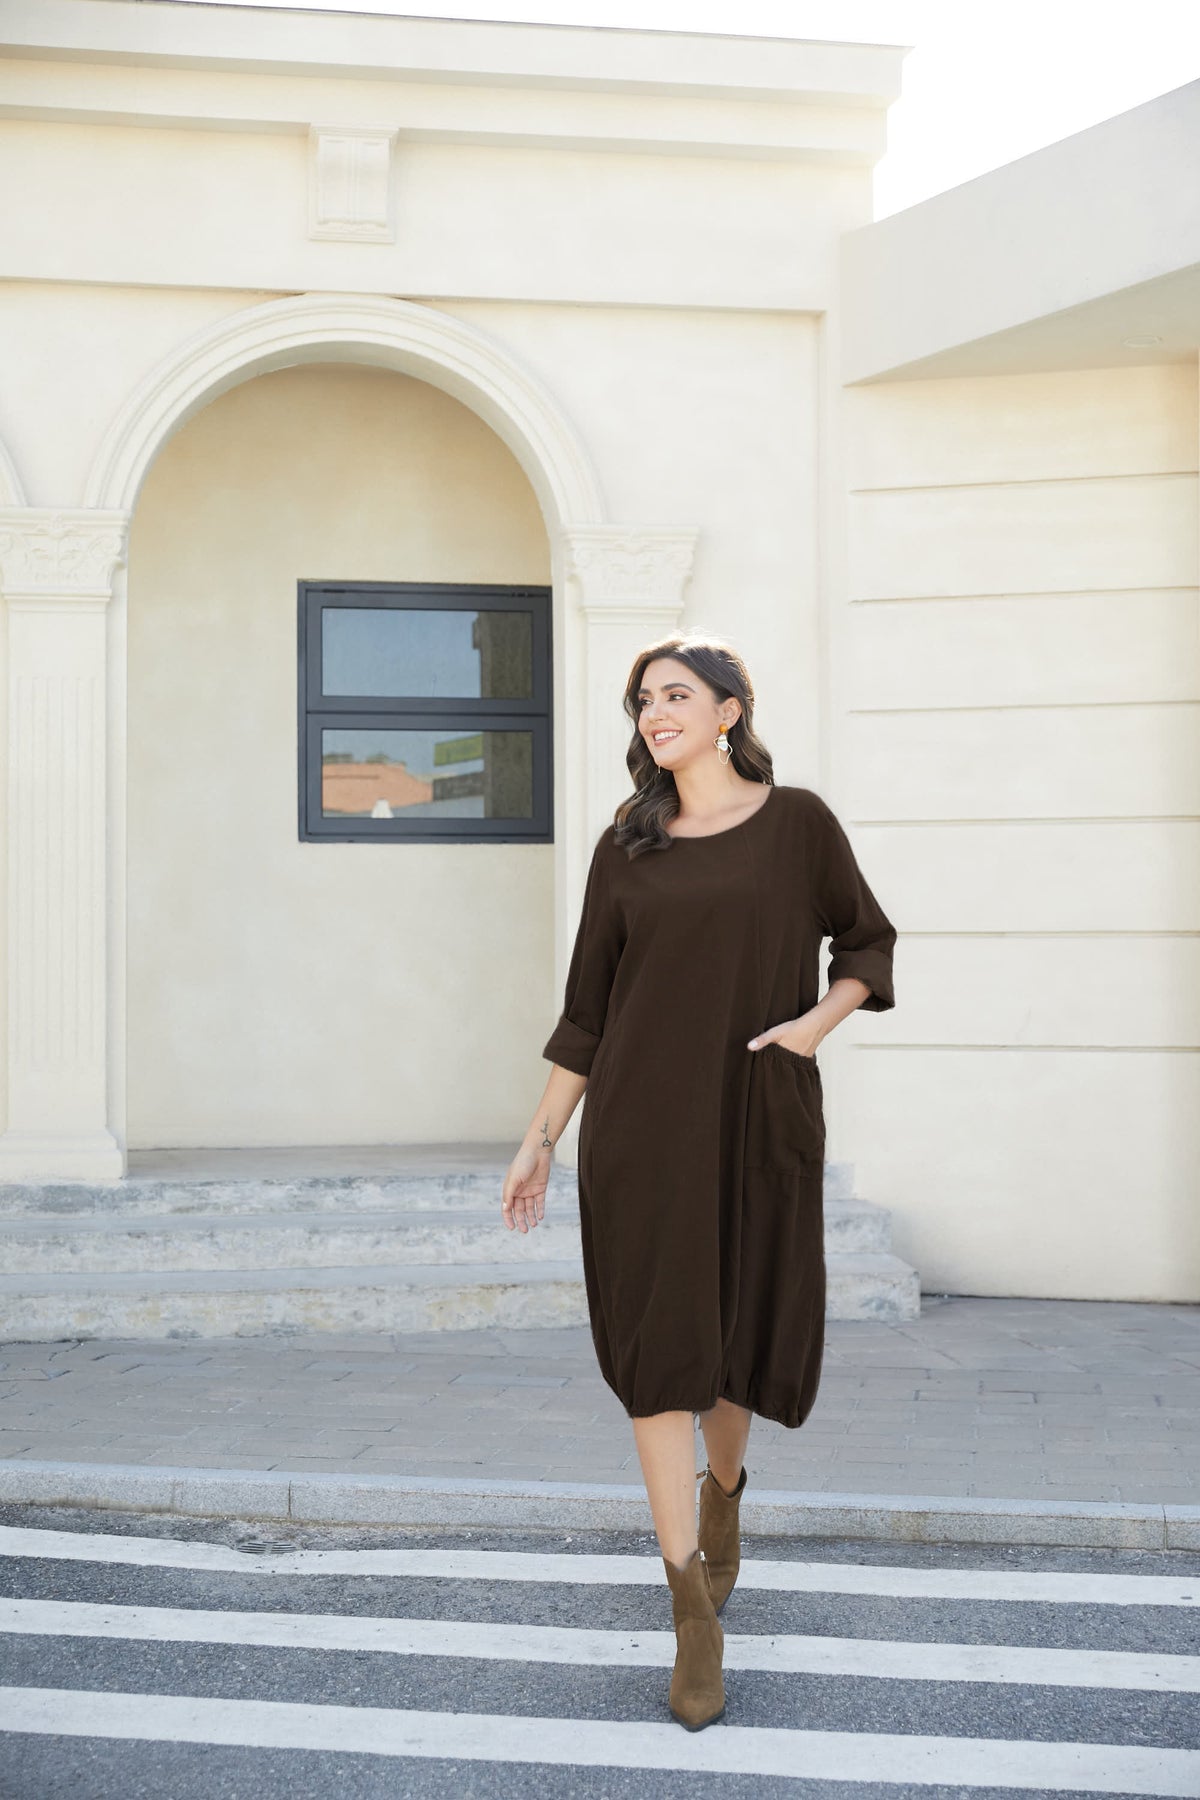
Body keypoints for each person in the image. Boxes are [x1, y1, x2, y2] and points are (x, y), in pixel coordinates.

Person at [500, 631, 897, 1731]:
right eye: (641, 701)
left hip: (758, 1119)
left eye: (675, 695)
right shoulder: (625, 848)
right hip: (640, 1133)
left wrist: (813, 1027)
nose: (654, 714)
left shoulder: (797, 824)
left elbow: (867, 946)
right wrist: (540, 1137)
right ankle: (691, 1615)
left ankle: (725, 1496)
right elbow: (588, 1011)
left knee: (734, 1347)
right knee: (662, 1356)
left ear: (729, 712)